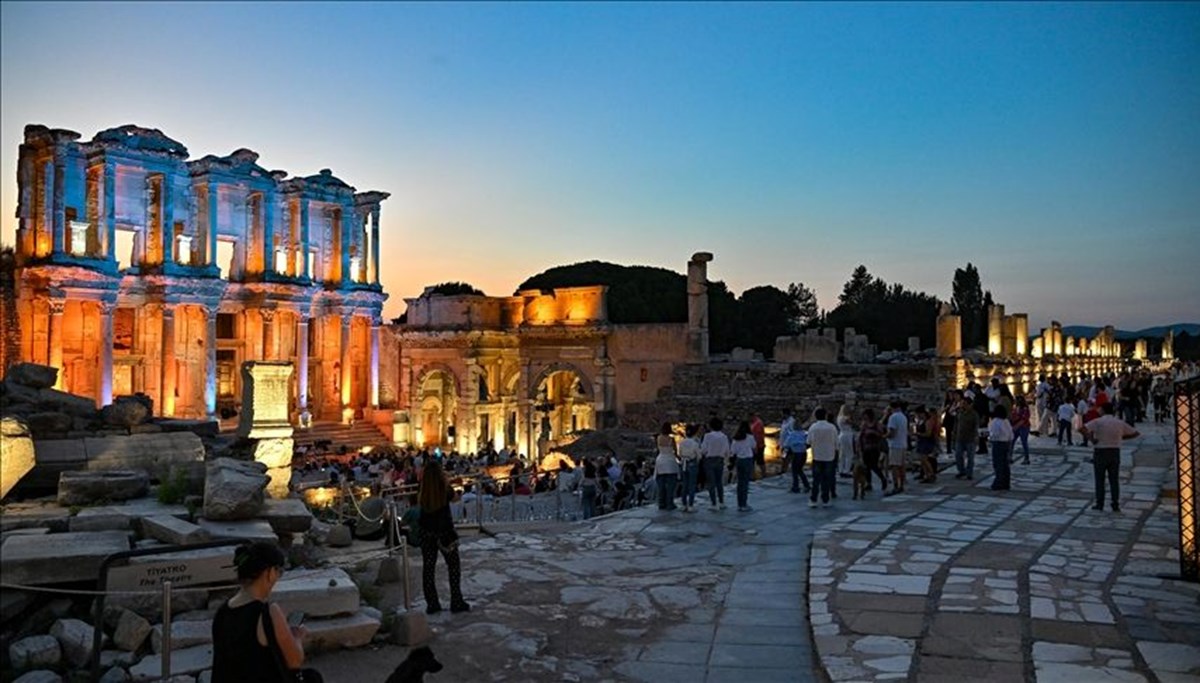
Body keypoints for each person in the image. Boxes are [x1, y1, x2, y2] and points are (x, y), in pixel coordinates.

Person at [212, 541, 317, 683]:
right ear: (269, 572)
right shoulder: (268, 612)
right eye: (278, 571)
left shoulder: (222, 612)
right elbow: (295, 661)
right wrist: (297, 637)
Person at [417, 460, 469, 614]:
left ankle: (432, 604)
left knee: (428, 569)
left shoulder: (424, 490)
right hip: (445, 533)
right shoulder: (445, 489)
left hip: (427, 533)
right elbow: (455, 499)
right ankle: (456, 601)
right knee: (453, 567)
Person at [1083, 402, 1139, 512]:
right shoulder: (1119, 423)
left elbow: (1082, 428)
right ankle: (1115, 503)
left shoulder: (1098, 422)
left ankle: (1100, 503)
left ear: (1103, 410)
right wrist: (1120, 438)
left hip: (1100, 451)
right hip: (1114, 451)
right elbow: (1135, 433)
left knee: (1100, 479)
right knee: (1114, 479)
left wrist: (1091, 439)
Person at [807, 408, 838, 508]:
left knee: (816, 479)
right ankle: (825, 499)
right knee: (826, 478)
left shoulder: (813, 427)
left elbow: (808, 441)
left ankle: (813, 499)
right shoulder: (832, 427)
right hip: (829, 456)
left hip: (817, 455)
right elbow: (836, 442)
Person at [700, 417, 730, 510]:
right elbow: (727, 450)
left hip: (709, 460)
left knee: (711, 482)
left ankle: (713, 503)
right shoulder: (724, 436)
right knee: (719, 482)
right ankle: (721, 501)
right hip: (719, 459)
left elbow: (704, 449)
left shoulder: (708, 436)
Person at [781, 409, 811, 494]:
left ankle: (796, 486)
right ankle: (806, 485)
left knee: (795, 470)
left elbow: (786, 445)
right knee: (800, 470)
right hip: (803, 453)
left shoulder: (792, 435)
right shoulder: (804, 434)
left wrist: (784, 453)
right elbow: (808, 442)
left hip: (796, 454)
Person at [858, 408, 887, 492]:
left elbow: (881, 434)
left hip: (874, 447)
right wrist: (859, 447)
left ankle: (882, 478)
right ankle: (868, 483)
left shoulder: (877, 424)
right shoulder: (864, 424)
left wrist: (874, 433)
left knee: (873, 465)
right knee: (866, 466)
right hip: (865, 447)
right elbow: (861, 436)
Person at [730, 420, 757, 512]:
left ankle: (739, 503)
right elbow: (754, 447)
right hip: (747, 460)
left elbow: (733, 451)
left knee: (740, 483)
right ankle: (744, 504)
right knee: (745, 483)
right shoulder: (750, 437)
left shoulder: (736, 438)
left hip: (739, 460)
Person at [885, 401, 909, 495]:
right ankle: (901, 485)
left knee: (894, 466)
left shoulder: (893, 417)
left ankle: (895, 486)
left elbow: (892, 433)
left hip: (895, 445)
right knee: (901, 466)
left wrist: (884, 436)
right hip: (903, 443)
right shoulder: (903, 417)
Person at [654, 422, 680, 511]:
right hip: (670, 461)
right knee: (671, 484)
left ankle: (661, 502)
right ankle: (670, 503)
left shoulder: (658, 438)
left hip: (660, 460)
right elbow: (675, 452)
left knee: (661, 484)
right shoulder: (671, 439)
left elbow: (658, 449)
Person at [954, 393, 980, 480]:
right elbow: (957, 424)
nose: (963, 405)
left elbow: (976, 426)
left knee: (970, 457)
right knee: (958, 455)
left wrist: (976, 437)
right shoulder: (960, 413)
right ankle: (961, 471)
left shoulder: (974, 414)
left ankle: (969, 473)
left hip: (970, 438)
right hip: (960, 437)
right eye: (962, 404)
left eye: (965, 404)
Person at [988, 405, 1014, 491]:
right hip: (1006, 443)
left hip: (998, 443)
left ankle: (998, 482)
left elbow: (994, 434)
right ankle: (1006, 482)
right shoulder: (1006, 421)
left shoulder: (995, 421)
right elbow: (1011, 433)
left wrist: (989, 438)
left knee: (998, 464)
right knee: (1005, 464)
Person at [678, 424, 702, 512]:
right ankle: (690, 505)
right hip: (692, 463)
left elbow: (679, 453)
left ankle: (684, 504)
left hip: (684, 462)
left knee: (685, 484)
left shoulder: (681, 443)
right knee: (692, 485)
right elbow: (699, 455)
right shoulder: (695, 444)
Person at [836, 406, 857, 480]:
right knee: (849, 454)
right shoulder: (845, 418)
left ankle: (841, 469)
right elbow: (853, 424)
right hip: (847, 435)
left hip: (841, 434)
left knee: (842, 454)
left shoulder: (838, 418)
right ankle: (846, 471)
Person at [1010, 396, 1032, 464]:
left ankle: (1026, 458)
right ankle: (1009, 457)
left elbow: (1024, 418)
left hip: (1024, 427)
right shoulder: (1015, 408)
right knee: (1011, 442)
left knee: (1024, 442)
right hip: (1016, 427)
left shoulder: (1025, 409)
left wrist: (1016, 426)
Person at [749, 412, 767, 479]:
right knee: (752, 461)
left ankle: (763, 475)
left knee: (760, 461)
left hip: (758, 446)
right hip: (755, 445)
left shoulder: (758, 423)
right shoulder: (754, 423)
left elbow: (758, 436)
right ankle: (752, 476)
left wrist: (756, 446)